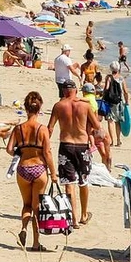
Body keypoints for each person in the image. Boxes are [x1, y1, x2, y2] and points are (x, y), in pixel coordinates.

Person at [6, 91, 57, 252]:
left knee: (26, 204)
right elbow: (47, 153)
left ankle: (24, 228)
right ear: (40, 107)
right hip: (39, 168)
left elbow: (9, 149)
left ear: (26, 108)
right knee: (37, 208)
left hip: (23, 168)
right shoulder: (42, 129)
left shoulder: (18, 129)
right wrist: (54, 174)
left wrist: (20, 153)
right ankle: (36, 243)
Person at [48, 80, 99, 228]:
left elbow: (50, 128)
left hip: (66, 145)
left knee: (69, 184)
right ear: (76, 90)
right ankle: (84, 214)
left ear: (64, 91)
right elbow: (97, 126)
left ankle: (74, 219)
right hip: (82, 146)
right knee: (83, 181)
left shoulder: (59, 106)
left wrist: (44, 146)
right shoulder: (85, 105)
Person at [103, 62, 129, 147]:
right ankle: (118, 141)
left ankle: (111, 141)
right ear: (118, 69)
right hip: (119, 102)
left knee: (110, 121)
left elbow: (106, 88)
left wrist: (104, 96)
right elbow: (125, 92)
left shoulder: (109, 77)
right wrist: (127, 101)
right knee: (118, 122)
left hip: (110, 102)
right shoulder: (121, 78)